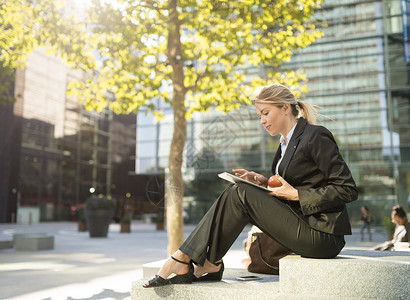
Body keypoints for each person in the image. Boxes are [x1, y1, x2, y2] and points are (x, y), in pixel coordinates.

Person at [144, 83, 358, 288]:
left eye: (265, 113)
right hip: (302, 223)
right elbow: (300, 180)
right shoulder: (284, 143)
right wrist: (265, 182)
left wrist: (296, 195)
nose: (262, 121)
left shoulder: (315, 135)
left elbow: (346, 188)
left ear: (285, 108)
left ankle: (183, 258)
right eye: (259, 116)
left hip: (322, 234)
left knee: (240, 193)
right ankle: (209, 262)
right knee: (237, 189)